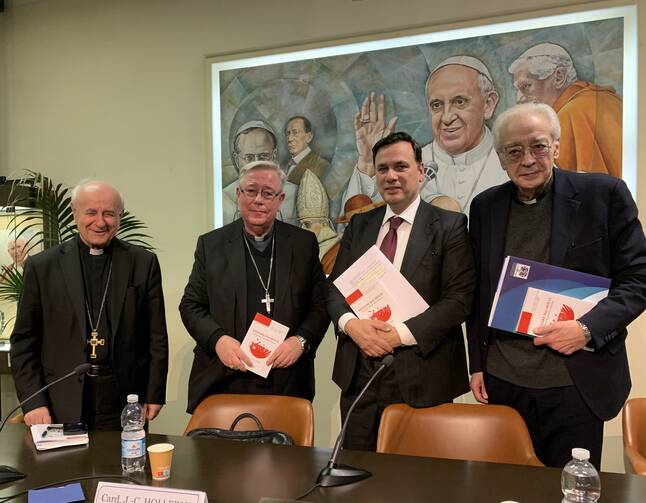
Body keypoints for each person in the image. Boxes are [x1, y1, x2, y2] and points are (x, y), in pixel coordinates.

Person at [467, 103, 646, 469]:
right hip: (504, 379)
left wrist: (585, 329)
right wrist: (477, 363)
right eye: (514, 151)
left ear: (557, 147)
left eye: (538, 146)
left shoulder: (604, 194)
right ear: (501, 159)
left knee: (570, 488)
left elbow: (638, 279)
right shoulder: (485, 207)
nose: (528, 160)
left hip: (575, 378)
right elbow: (479, 290)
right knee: (507, 486)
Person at [328, 131, 476, 451]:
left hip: (424, 374)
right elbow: (335, 290)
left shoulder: (450, 226)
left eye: (401, 166)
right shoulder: (359, 226)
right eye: (382, 169)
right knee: (356, 474)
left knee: (417, 483)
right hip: (360, 374)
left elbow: (459, 300)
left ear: (420, 172)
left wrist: (398, 335)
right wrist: (351, 326)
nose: (391, 176)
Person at [10, 180, 169, 429]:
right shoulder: (42, 267)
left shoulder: (142, 263)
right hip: (59, 400)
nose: (100, 222)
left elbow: (156, 336)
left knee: (123, 467)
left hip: (123, 398)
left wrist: (154, 392)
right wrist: (33, 402)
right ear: (74, 213)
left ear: (120, 216)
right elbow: (23, 342)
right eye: (91, 212)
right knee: (66, 468)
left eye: (109, 213)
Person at [180, 161, 329, 414]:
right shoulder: (211, 245)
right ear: (238, 194)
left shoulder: (303, 244)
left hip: (287, 377)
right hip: (225, 376)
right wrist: (218, 340)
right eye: (251, 191)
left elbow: (321, 304)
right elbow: (191, 305)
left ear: (280, 199)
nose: (259, 200)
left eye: (268, 193)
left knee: (286, 453)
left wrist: (301, 341)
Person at [342, 56, 508, 216]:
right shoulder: (409, 164)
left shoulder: (511, 160)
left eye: (460, 102)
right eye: (436, 105)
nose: (447, 117)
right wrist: (367, 163)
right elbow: (357, 225)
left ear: (488, 104)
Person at [509, 43, 622, 177]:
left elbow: (576, 188)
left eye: (526, 86)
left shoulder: (570, 114)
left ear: (559, 77)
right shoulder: (605, 99)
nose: (519, 98)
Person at [222, 121, 298, 226]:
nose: (256, 164)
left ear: (274, 155)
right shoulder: (224, 197)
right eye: (249, 157)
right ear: (236, 159)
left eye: (263, 156)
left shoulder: (293, 193)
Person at [296, 169, 341, 274]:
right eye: (301, 224)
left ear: (324, 223)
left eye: (307, 224)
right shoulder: (306, 247)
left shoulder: (336, 250)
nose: (302, 229)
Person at [284, 116, 330, 185]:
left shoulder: (321, 166)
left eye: (295, 132)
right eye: (287, 134)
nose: (290, 139)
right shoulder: (285, 167)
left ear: (309, 137)